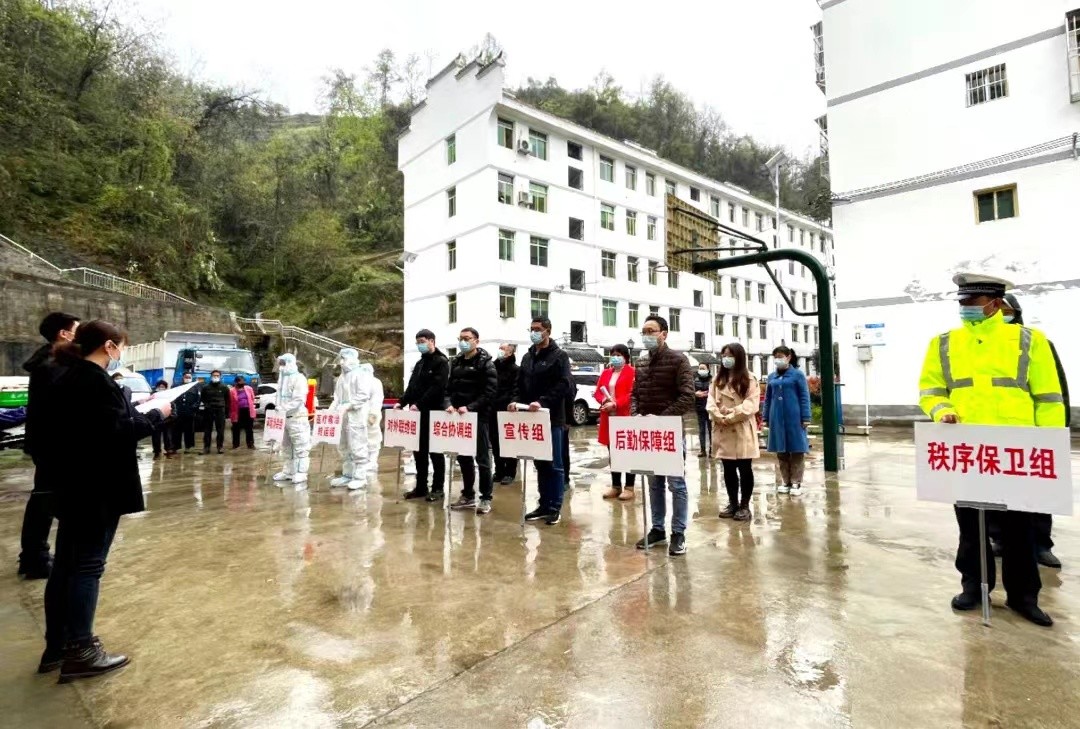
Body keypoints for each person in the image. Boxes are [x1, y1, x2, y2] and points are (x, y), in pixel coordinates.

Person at [919, 273, 1064, 627]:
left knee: (1019, 529)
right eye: (962, 302)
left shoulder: (1030, 340)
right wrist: (941, 411)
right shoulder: (943, 343)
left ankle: (1023, 597)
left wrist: (1050, 446)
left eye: (972, 302)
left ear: (995, 303)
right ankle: (974, 587)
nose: (965, 308)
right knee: (971, 526)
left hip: (1015, 453)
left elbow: (1048, 397)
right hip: (968, 451)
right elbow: (930, 390)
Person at [42, 320, 170, 681]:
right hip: (96, 489)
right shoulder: (94, 381)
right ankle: (82, 650)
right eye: (121, 347)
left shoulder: (66, 376)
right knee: (87, 566)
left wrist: (133, 410)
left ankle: (58, 646)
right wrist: (156, 415)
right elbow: (113, 434)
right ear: (109, 346)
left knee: (66, 566)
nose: (121, 353)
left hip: (72, 486)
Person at [991, 294, 1066, 569]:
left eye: (1006, 311)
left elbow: (1054, 390)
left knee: (1036, 494)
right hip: (994, 434)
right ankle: (1000, 539)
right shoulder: (982, 347)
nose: (1002, 316)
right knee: (997, 494)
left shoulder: (1036, 342)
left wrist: (1054, 431)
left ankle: (1041, 545)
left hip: (1031, 433)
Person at [18, 311, 79, 580]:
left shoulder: (49, 361)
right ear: (64, 334)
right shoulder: (54, 365)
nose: (80, 336)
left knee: (43, 498)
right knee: (45, 500)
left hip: (46, 443)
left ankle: (33, 556)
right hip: (55, 445)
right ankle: (36, 559)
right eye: (76, 330)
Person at [631, 315, 695, 556]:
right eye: (644, 331)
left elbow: (687, 396)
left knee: (676, 484)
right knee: (654, 483)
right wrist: (636, 414)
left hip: (669, 432)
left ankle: (678, 532)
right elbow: (635, 394)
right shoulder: (641, 362)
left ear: (664, 334)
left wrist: (661, 419)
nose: (647, 335)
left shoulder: (679, 360)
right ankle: (657, 529)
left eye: (651, 331)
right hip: (648, 433)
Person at [513, 317, 571, 525]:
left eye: (538, 329)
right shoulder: (528, 357)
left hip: (552, 417)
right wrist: (516, 402)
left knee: (555, 464)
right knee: (540, 463)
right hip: (531, 418)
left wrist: (542, 401)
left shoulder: (559, 356)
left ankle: (555, 507)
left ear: (548, 331)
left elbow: (564, 384)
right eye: (531, 329)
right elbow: (520, 384)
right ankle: (543, 504)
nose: (534, 333)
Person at [445, 328, 498, 514]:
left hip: (478, 417)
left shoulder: (486, 363)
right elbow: (448, 388)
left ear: (477, 341)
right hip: (459, 418)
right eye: (460, 338)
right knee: (463, 458)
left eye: (467, 338)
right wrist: (449, 404)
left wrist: (471, 407)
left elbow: (490, 392)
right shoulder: (456, 362)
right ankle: (468, 495)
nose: (463, 342)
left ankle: (485, 497)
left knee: (482, 459)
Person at [707, 343, 761, 521]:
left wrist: (730, 415)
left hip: (741, 428)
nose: (726, 359)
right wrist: (717, 416)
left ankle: (745, 506)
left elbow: (751, 405)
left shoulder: (749, 379)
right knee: (728, 469)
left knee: (745, 469)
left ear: (739, 357)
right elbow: (710, 402)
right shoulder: (717, 379)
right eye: (724, 355)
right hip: (723, 428)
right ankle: (733, 503)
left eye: (730, 355)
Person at [397, 330, 450, 502]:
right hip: (417, 414)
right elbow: (412, 386)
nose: (419, 344)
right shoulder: (420, 363)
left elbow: (437, 388)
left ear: (431, 341)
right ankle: (421, 487)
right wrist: (402, 402)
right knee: (419, 452)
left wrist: (419, 404)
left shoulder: (441, 362)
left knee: (435, 452)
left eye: (422, 341)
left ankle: (438, 488)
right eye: (417, 342)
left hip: (433, 413)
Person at [763, 346, 810, 496]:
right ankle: (786, 481)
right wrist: (765, 417)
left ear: (788, 357)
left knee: (796, 451)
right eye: (776, 357)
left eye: (781, 356)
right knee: (781, 451)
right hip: (776, 417)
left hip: (795, 417)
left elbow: (804, 396)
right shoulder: (772, 377)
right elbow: (768, 399)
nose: (778, 359)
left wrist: (806, 417)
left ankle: (796, 482)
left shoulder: (797, 375)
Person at [595, 344, 636, 501]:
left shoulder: (632, 372)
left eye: (618, 355)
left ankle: (630, 487)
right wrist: (604, 400)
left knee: (628, 452)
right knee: (613, 453)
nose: (615, 358)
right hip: (609, 418)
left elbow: (631, 393)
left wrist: (616, 404)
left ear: (626, 357)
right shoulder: (606, 373)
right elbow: (598, 391)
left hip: (625, 417)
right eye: (613, 355)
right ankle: (616, 485)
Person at [329, 348, 370, 490]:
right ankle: (347, 474)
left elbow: (363, 395)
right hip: (343, 416)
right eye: (340, 359)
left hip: (356, 415)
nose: (341, 362)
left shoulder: (360, 374)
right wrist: (331, 410)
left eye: (344, 359)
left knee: (357, 445)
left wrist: (349, 405)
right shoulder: (342, 377)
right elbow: (337, 397)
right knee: (344, 446)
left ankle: (360, 477)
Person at [272, 353, 313, 487]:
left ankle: (301, 472)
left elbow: (298, 400)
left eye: (283, 364)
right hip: (283, 418)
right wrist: (278, 410)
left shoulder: (299, 378)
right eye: (280, 364)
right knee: (286, 446)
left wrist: (283, 408)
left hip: (296, 418)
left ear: (290, 363)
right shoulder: (282, 379)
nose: (281, 367)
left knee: (301, 446)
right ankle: (288, 471)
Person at [491, 343, 519, 484]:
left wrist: (513, 402)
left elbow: (516, 389)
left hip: (508, 410)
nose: (500, 351)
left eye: (503, 349)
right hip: (493, 409)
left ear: (510, 352)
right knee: (495, 443)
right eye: (499, 348)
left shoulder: (515, 369)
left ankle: (510, 472)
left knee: (509, 441)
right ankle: (499, 470)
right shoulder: (493, 367)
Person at [360, 363, 384, 477]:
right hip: (360, 414)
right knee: (361, 439)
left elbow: (377, 399)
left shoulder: (375, 382)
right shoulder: (359, 381)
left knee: (373, 438)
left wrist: (373, 414)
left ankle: (372, 461)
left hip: (371, 413)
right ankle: (364, 460)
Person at [200, 369, 229, 454]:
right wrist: (207, 405)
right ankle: (206, 448)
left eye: (217, 376)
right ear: (211, 376)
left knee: (220, 430)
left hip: (220, 410)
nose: (215, 377)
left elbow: (227, 399)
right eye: (214, 376)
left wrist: (226, 411)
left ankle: (220, 447)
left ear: (220, 377)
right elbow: (202, 398)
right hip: (209, 410)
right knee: (207, 430)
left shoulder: (224, 387)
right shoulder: (205, 387)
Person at [172, 372, 199, 453]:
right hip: (179, 411)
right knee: (176, 430)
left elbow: (198, 399)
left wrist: (194, 408)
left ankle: (188, 447)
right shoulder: (176, 387)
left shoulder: (195, 387)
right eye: (186, 377)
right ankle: (176, 446)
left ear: (191, 378)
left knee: (189, 430)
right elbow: (172, 398)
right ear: (183, 377)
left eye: (189, 377)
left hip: (189, 411)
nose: (187, 378)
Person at [150, 380, 177, 459]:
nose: (161, 388)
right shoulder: (153, 396)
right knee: (156, 437)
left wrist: (173, 415)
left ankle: (168, 451)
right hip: (156, 420)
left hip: (167, 420)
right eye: (160, 387)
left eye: (163, 387)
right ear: (157, 387)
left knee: (168, 437)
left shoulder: (169, 396)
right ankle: (157, 452)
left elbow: (173, 406)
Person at [229, 375, 256, 450]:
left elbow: (252, 398)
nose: (242, 383)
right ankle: (236, 445)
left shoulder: (249, 388)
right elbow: (230, 402)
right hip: (237, 411)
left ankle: (250, 444)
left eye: (243, 381)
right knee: (236, 428)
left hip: (248, 411)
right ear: (236, 382)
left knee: (249, 428)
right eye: (240, 381)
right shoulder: (231, 391)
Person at [694, 362, 712, 457]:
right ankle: (702, 450)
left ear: (708, 369)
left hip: (710, 409)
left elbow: (717, 393)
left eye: (703, 368)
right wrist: (695, 394)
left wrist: (708, 394)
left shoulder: (712, 380)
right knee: (701, 430)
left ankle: (712, 450)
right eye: (700, 368)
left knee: (711, 430)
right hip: (700, 408)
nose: (701, 370)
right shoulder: (695, 380)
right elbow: (691, 392)